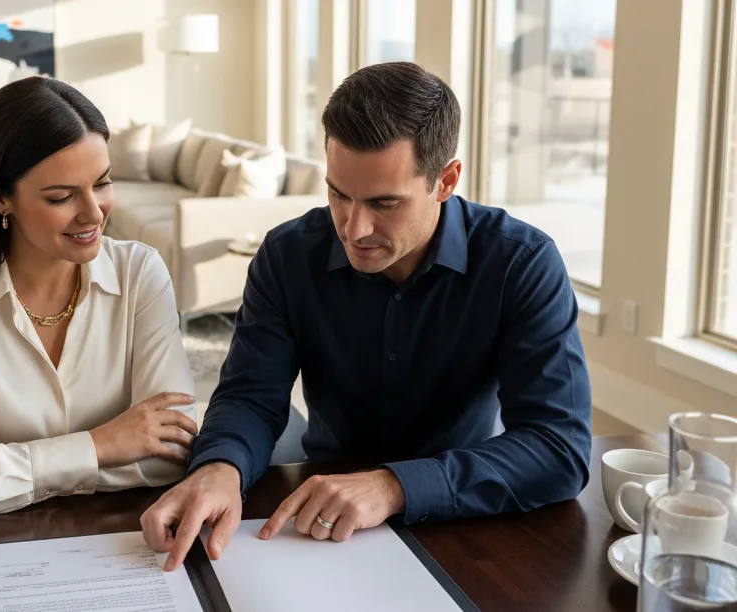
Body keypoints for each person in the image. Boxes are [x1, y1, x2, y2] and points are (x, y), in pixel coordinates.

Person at [140, 62, 592, 570]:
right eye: (338, 194)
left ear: (445, 181)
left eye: (385, 202)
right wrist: (219, 466)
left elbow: (559, 448)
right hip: (317, 513)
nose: (354, 228)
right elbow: (251, 395)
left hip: (464, 517)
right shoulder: (288, 255)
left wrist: (395, 486)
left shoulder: (521, 263)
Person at [0, 76, 198, 525]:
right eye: (62, 196)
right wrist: (102, 446)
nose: (94, 213)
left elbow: (174, 455)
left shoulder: (140, 274)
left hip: (124, 545)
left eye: (102, 184)